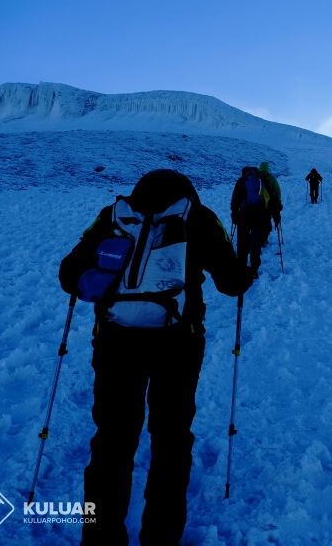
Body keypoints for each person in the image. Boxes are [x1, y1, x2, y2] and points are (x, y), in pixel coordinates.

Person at [58, 169, 253, 546]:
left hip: (115, 341)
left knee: (112, 442)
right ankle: (160, 538)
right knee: (171, 441)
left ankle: (99, 538)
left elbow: (69, 274)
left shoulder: (113, 215)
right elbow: (230, 282)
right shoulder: (198, 216)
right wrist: (243, 272)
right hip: (177, 343)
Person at [231, 164, 282, 278]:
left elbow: (235, 199)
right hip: (260, 216)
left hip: (244, 216)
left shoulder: (242, 180)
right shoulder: (262, 180)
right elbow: (272, 199)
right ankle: (254, 270)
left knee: (242, 244)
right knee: (256, 244)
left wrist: (234, 214)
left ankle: (241, 268)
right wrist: (276, 215)